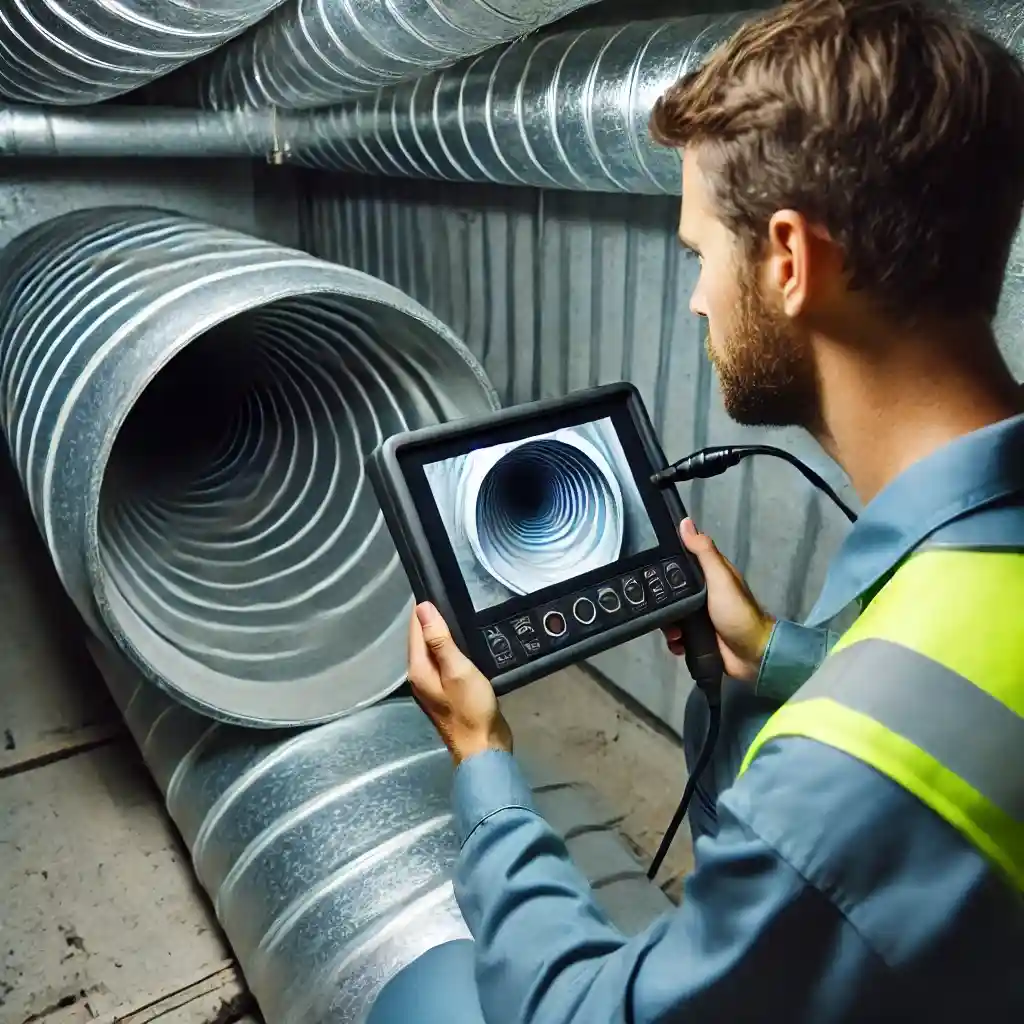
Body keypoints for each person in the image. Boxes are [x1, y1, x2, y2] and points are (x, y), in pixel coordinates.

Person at [404, 0, 1024, 1019]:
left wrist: (484, 766)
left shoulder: (840, 786)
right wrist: (770, 654)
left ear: (788, 260)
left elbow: (580, 1010)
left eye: (700, 252)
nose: (696, 298)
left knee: (428, 993)